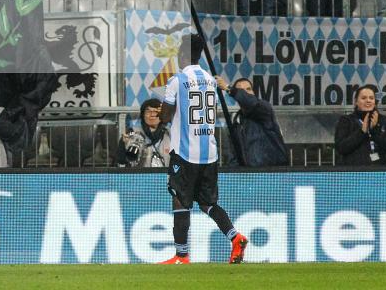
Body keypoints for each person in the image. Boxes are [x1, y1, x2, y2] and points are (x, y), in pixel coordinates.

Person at [158, 34, 248, 265]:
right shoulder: (209, 79)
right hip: (209, 151)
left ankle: (181, 255)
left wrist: (164, 111)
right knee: (207, 203)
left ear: (183, 54)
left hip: (186, 152)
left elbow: (166, 116)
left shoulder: (177, 80)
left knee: (180, 200)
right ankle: (235, 237)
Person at [216, 76, 288, 167]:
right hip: (251, 175)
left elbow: (251, 102)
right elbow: (234, 154)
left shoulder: (264, 109)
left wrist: (228, 88)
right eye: (241, 91)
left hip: (273, 171)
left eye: (248, 89)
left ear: (253, 92)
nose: (246, 93)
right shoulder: (236, 121)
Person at [334, 85, 386, 165]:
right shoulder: (346, 120)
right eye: (363, 98)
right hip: (354, 171)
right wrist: (362, 132)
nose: (368, 101)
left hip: (379, 170)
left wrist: (375, 130)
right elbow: (341, 148)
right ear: (356, 101)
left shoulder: (384, 120)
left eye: (371, 98)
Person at [116, 98, 171, 168]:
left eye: (156, 112)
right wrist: (124, 145)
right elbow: (121, 160)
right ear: (143, 115)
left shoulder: (170, 134)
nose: (152, 115)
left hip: (166, 177)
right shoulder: (132, 132)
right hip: (140, 177)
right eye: (148, 112)